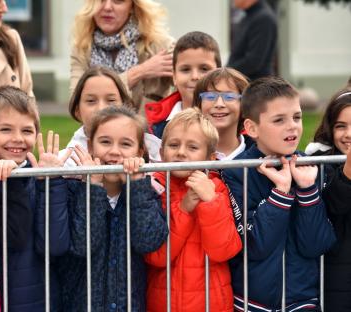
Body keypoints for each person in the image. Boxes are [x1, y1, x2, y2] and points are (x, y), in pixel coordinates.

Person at [221, 77, 336, 311]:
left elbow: (316, 245)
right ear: (252, 128)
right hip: (253, 304)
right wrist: (280, 194)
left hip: (303, 302)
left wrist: (306, 191)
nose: (292, 126)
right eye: (279, 120)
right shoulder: (236, 173)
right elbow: (255, 246)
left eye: (297, 117)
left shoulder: (311, 169)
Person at [0, 86, 70, 312]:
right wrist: (8, 180)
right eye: (6, 129)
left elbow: (56, 244)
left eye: (27, 131)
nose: (17, 139)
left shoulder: (41, 177)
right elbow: (10, 239)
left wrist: (51, 181)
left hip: (40, 299)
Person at [58, 106, 168, 311]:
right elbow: (83, 245)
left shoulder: (145, 192)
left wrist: (136, 185)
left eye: (126, 144)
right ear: (91, 147)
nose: (114, 151)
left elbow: (148, 241)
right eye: (105, 142)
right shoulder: (73, 191)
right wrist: (93, 188)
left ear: (140, 152)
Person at [145, 108, 242, 311]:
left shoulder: (216, 188)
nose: (181, 152)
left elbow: (224, 251)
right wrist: (184, 209)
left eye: (192, 147)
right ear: (161, 153)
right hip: (164, 303)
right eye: (173, 145)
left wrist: (210, 202)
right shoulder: (153, 187)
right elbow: (156, 256)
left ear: (211, 157)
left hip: (211, 303)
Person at [70, 0, 174, 111]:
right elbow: (76, 101)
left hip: (147, 127)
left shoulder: (159, 44)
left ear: (132, 7)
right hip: (98, 127)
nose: (107, 7)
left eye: (118, 1)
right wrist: (140, 72)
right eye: (101, 0)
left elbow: (189, 84)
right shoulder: (83, 47)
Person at [305, 88, 351, 312]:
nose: (348, 134)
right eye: (341, 126)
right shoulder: (320, 162)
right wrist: (348, 172)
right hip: (335, 276)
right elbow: (335, 204)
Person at [63, 66, 162, 164]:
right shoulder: (66, 161)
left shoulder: (154, 149)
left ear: (124, 106)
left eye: (111, 100)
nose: (101, 108)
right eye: (91, 101)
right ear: (77, 110)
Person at [145, 31, 221, 138]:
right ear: (174, 76)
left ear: (218, 75)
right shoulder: (153, 126)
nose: (195, 76)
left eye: (204, 69)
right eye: (185, 69)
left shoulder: (233, 121)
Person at [193, 67, 252, 160]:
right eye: (210, 96)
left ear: (244, 105)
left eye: (229, 97)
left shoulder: (259, 153)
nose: (219, 104)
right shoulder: (187, 154)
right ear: (199, 105)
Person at [227, 0, 277, 81]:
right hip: (246, 82)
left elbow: (254, 61)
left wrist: (226, 72)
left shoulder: (264, 18)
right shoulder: (248, 16)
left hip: (257, 86)